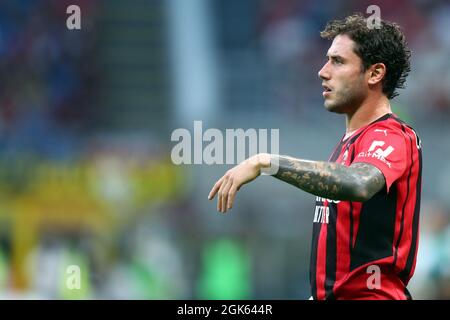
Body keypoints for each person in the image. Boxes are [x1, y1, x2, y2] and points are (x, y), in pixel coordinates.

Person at [208, 14, 422, 300]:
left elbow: (359, 183)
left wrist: (267, 162)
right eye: (327, 60)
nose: (323, 71)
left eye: (338, 61)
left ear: (374, 73)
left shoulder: (392, 136)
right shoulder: (347, 146)